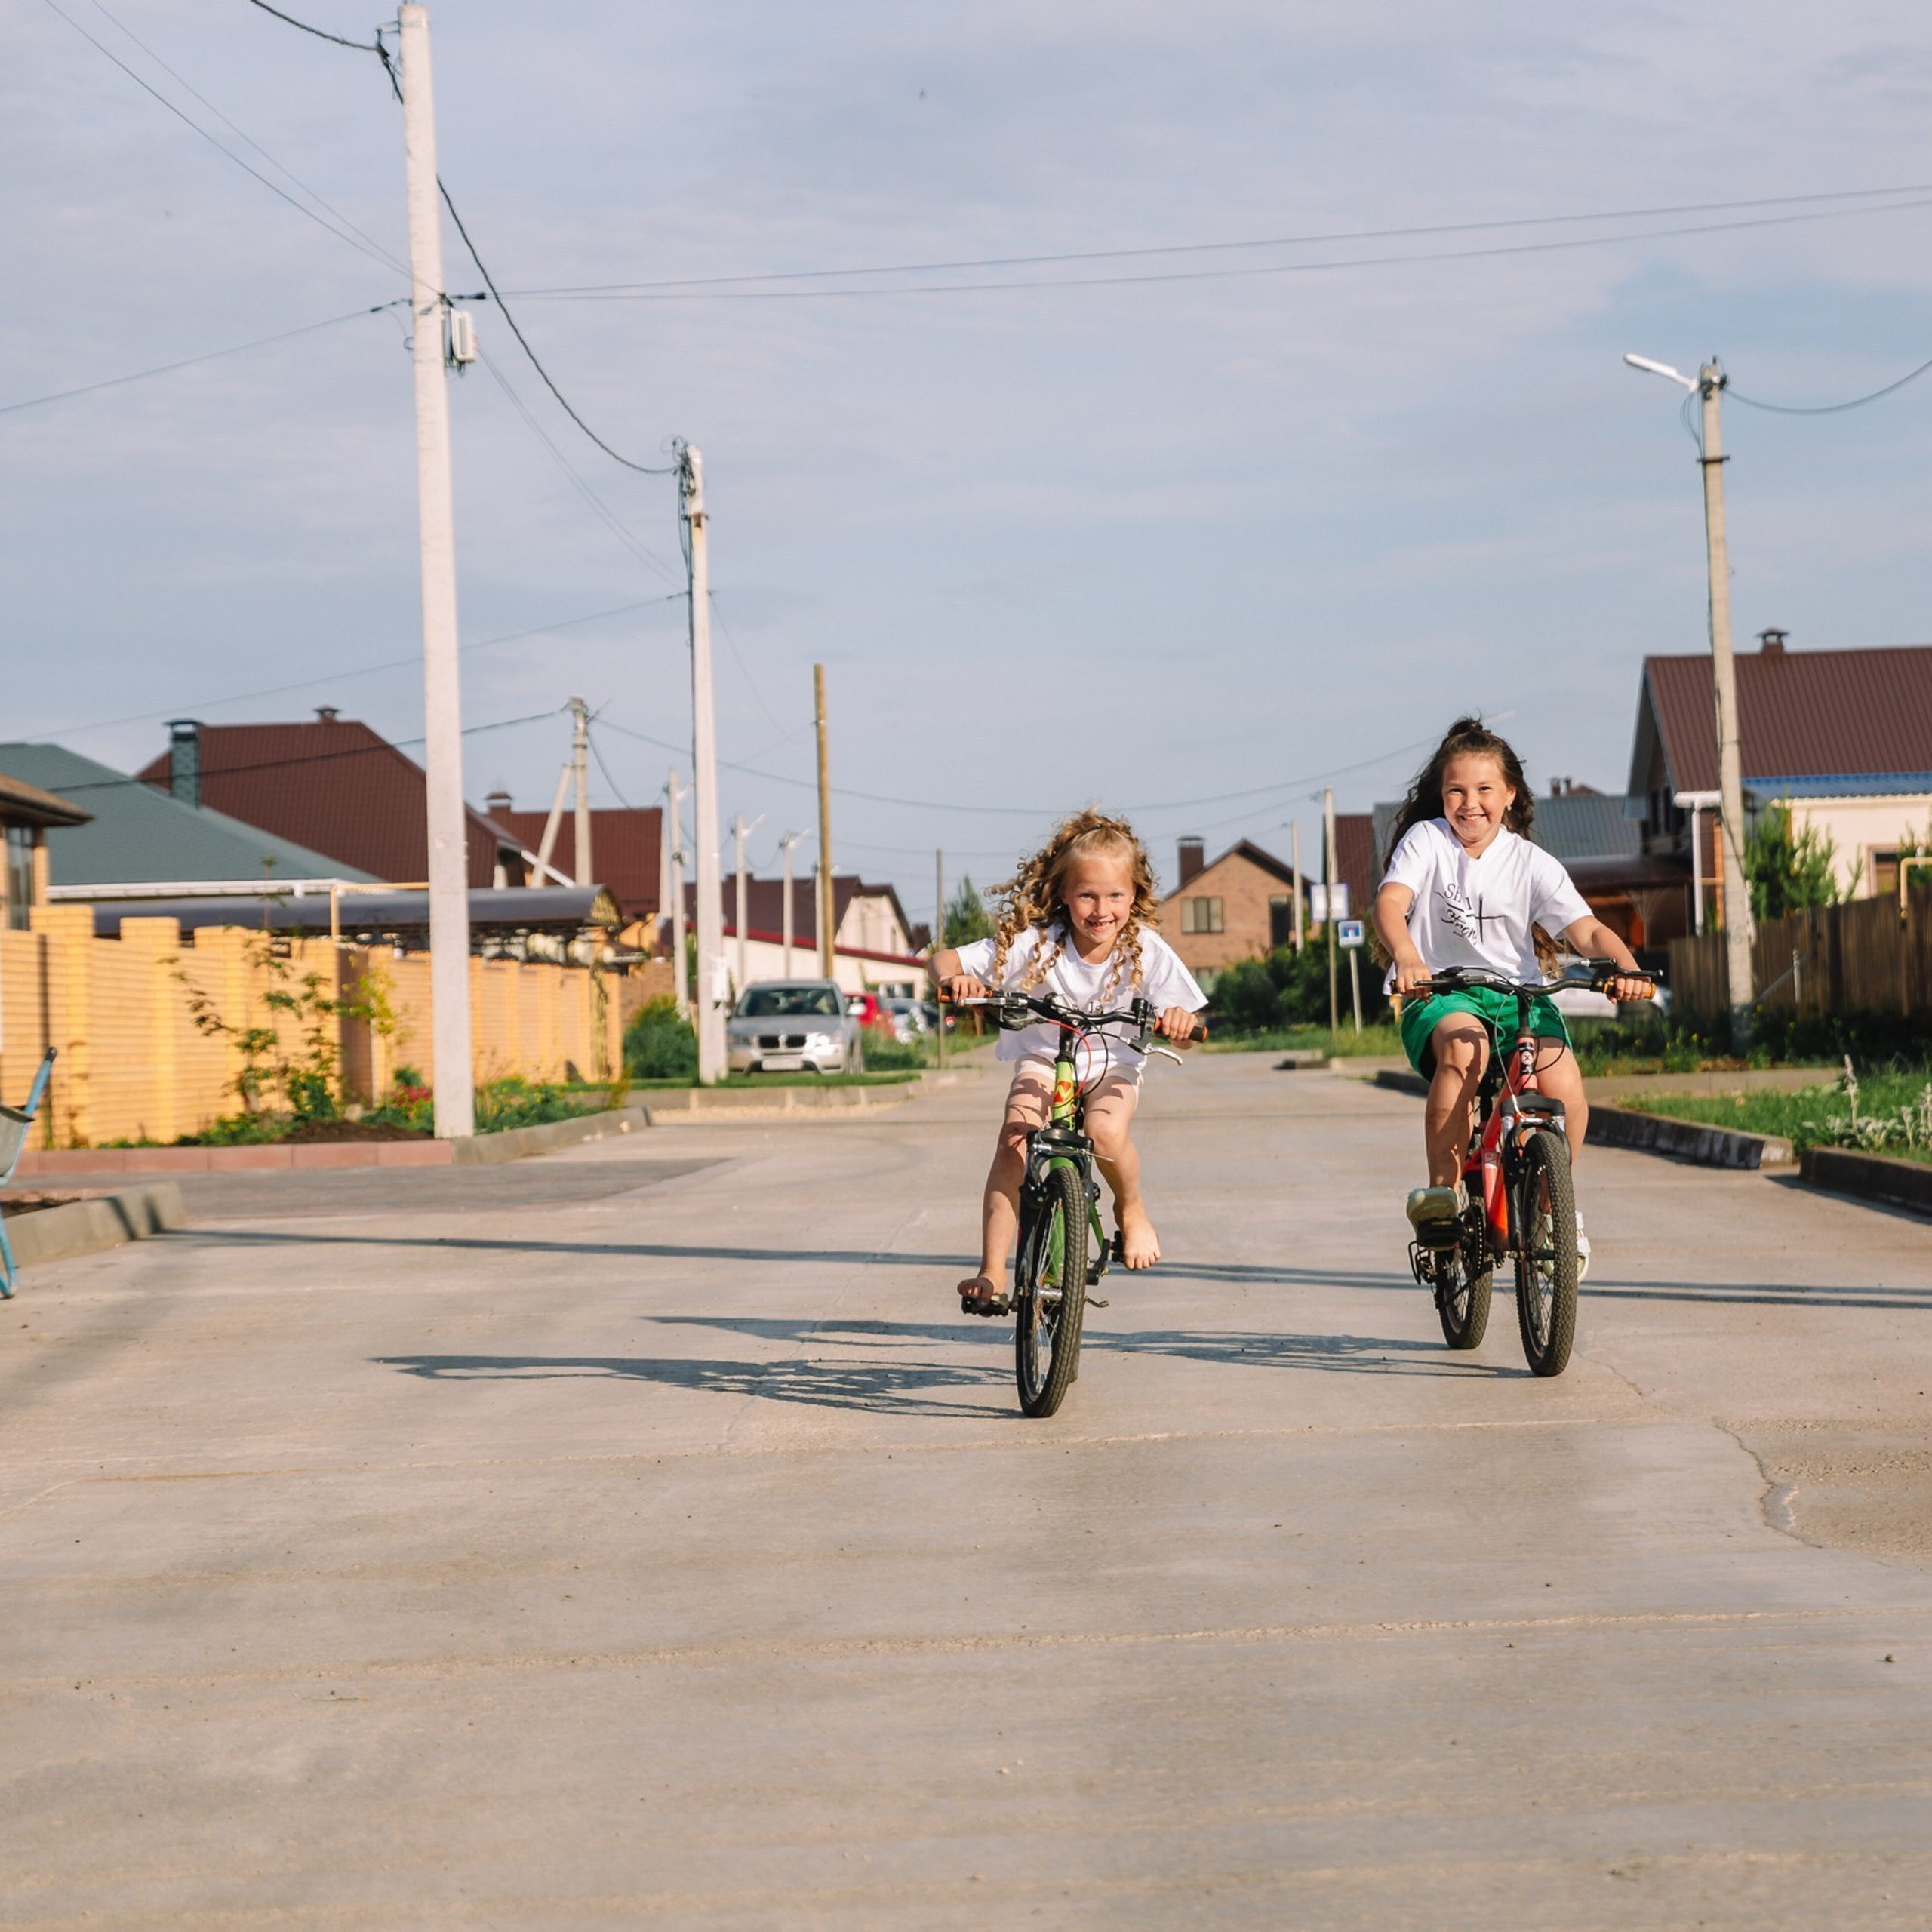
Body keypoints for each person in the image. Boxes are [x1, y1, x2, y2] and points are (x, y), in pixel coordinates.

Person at [1371, 718, 1651, 1276]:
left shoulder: (1530, 863)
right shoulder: (1427, 841)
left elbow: (1587, 930)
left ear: (1509, 796)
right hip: (1441, 993)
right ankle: (1443, 1199)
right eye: (1456, 791)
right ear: (1441, 796)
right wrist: (1405, 952)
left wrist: (1626, 966)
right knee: (1466, 1050)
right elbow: (1391, 902)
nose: (1469, 804)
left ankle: (1553, 1212)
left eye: (1483, 791)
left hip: (1518, 997)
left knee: (1565, 1086)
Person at [929, 808, 1207, 1317]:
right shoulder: (1037, 944)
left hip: (1112, 1066)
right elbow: (945, 959)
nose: (1102, 910)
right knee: (1015, 1137)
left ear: (1134, 895)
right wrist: (954, 981)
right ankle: (993, 1270)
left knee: (1104, 1130)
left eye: (1116, 896)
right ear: (1063, 895)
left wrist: (1179, 1023)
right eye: (1087, 895)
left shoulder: (1144, 948)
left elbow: (1186, 1023)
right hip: (1042, 1060)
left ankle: (1132, 1206)